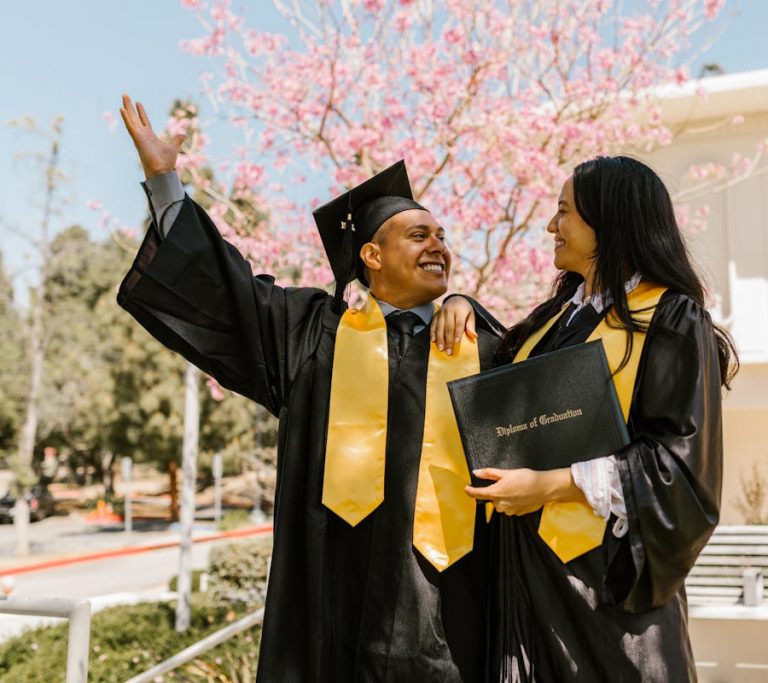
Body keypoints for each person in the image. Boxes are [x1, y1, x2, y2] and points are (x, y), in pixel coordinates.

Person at [116, 95, 504, 682]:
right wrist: (165, 181)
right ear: (371, 256)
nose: (438, 246)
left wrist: (466, 305)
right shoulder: (314, 334)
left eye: (442, 236)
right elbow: (229, 290)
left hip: (452, 619)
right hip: (334, 614)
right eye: (418, 235)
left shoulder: (479, 342)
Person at [433, 155, 735, 682]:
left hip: (606, 595)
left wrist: (549, 486)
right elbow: (507, 395)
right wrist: (460, 303)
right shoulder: (556, 319)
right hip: (526, 582)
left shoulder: (670, 319)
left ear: (609, 222)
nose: (551, 226)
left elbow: (680, 469)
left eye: (564, 212)